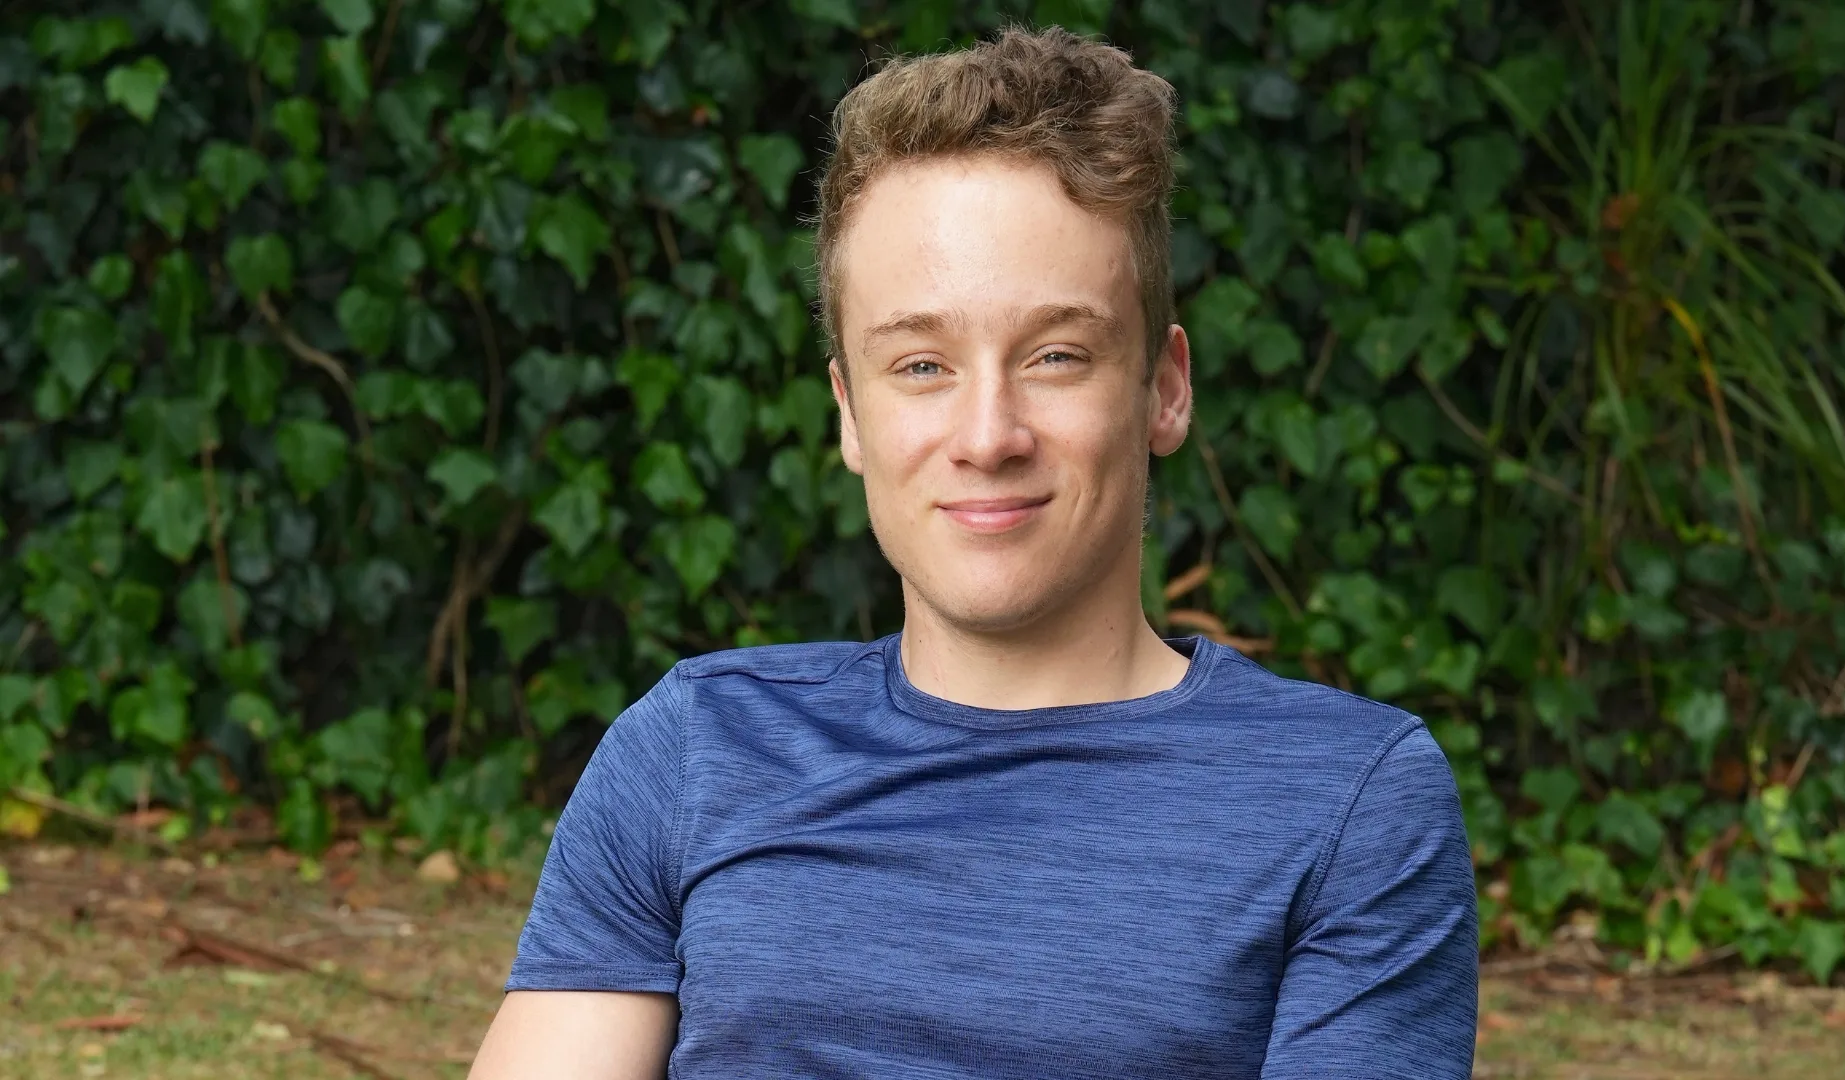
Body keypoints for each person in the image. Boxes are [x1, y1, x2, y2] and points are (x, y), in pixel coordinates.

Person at [469, 25, 1478, 1080]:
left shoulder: (1344, 798)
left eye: (1055, 354)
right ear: (850, 413)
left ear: (1164, 388)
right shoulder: (695, 748)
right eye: (920, 364)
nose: (988, 435)